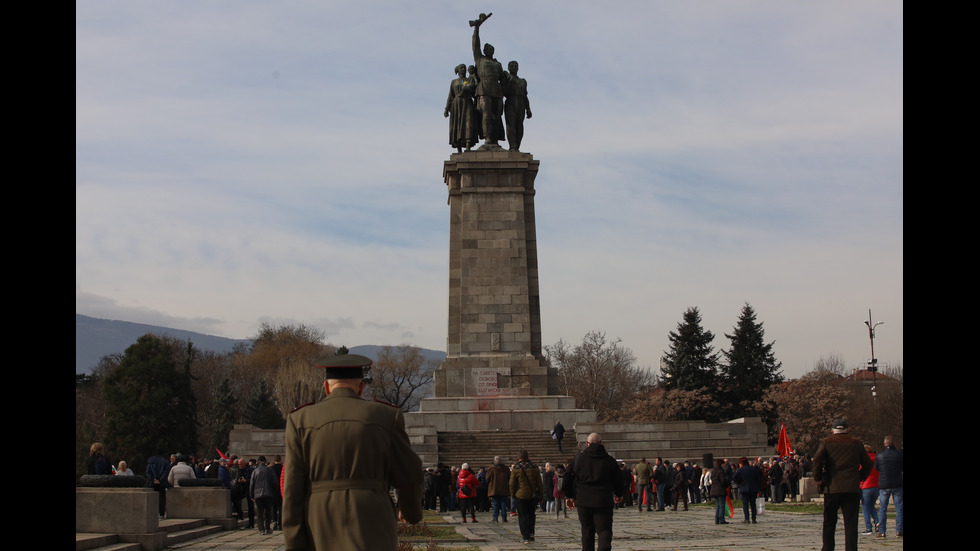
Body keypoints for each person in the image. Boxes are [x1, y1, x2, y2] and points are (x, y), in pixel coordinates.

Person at [283, 353, 422, 550]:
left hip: (319, 519)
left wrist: (294, 543)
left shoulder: (300, 420)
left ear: (326, 387)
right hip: (373, 516)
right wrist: (411, 512)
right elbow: (411, 474)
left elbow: (292, 490)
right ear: (361, 387)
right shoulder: (386, 416)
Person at [812, 419, 873, 551]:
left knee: (829, 522)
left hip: (832, 487)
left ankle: (828, 548)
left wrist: (818, 479)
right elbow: (868, 464)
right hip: (852, 488)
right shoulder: (856, 443)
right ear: (848, 429)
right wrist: (859, 478)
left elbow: (817, 460)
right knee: (851, 523)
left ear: (832, 430)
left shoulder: (827, 442)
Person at [564, 433, 625, 551]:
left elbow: (567, 477)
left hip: (583, 500)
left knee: (586, 531)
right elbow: (618, 479)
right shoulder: (609, 460)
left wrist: (569, 496)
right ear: (601, 443)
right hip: (603, 500)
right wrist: (619, 494)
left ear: (587, 444)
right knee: (604, 531)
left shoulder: (578, 459)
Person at [470, 13, 507, 146]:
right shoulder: (480, 59)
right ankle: (488, 139)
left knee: (496, 116)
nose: (489, 50)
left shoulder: (498, 64)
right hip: (484, 89)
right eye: (487, 48)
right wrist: (476, 29)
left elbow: (504, 79)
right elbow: (475, 44)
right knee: (486, 114)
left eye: (491, 48)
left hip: (496, 90)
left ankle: (495, 139)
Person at [509, 449, 543, 544]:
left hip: (520, 495)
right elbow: (539, 483)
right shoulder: (534, 467)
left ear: (518, 457)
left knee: (522, 516)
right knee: (531, 514)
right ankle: (531, 532)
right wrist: (541, 496)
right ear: (528, 457)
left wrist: (512, 495)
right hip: (532, 495)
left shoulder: (516, 468)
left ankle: (525, 536)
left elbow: (512, 484)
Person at [444, 63, 480, 153]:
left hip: (467, 102)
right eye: (461, 68)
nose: (463, 69)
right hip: (456, 105)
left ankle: (468, 145)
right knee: (458, 124)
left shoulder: (469, 80)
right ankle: (458, 147)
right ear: (457, 70)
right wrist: (447, 108)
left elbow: (474, 87)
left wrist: (473, 77)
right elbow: (450, 96)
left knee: (468, 122)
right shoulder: (454, 82)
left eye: (464, 68)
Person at [875, 435, 903, 538]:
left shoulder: (879, 455)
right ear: (893, 443)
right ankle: (899, 530)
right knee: (899, 507)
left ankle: (882, 531)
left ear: (885, 443)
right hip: (897, 483)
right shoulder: (899, 454)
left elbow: (877, 468)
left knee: (883, 508)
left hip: (884, 484)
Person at [503, 60, 531, 151]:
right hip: (510, 101)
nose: (513, 68)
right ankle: (513, 145)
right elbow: (504, 92)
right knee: (511, 125)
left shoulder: (522, 81)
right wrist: (510, 81)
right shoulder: (506, 78)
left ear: (518, 68)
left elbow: (525, 95)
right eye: (511, 66)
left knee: (519, 125)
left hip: (521, 102)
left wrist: (528, 109)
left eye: (515, 66)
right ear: (508, 68)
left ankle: (517, 145)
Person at [249, 456, 278, 535]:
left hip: (258, 495)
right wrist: (275, 492)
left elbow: (252, 484)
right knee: (268, 512)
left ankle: (261, 529)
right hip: (268, 494)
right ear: (265, 461)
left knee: (259, 513)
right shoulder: (270, 470)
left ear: (258, 462)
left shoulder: (255, 471)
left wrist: (251, 495)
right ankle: (267, 528)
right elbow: (275, 482)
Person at [732, 457, 762, 524]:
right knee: (753, 505)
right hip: (753, 489)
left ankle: (747, 519)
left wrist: (740, 482)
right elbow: (758, 479)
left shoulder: (741, 470)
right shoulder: (754, 469)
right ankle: (754, 519)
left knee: (745, 505)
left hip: (744, 489)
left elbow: (734, 477)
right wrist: (759, 488)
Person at [859, 445, 880, 536]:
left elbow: (859, 471)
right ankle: (877, 522)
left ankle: (868, 527)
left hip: (866, 485)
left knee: (865, 507)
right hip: (876, 485)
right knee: (872, 505)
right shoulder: (877, 458)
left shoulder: (863, 460)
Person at [146, 450, 171, 519]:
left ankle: (152, 512)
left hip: (152, 483)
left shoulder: (150, 461)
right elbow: (166, 473)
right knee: (162, 498)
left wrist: (153, 479)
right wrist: (160, 480)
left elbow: (148, 472)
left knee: (152, 498)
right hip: (161, 483)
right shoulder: (165, 462)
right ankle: (161, 513)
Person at [487, 456, 511, 523]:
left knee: (495, 503)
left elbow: (487, 478)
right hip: (504, 489)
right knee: (503, 503)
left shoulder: (491, 469)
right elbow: (510, 477)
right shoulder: (506, 468)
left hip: (495, 489)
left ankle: (495, 518)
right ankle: (504, 518)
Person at [709, 459, 730, 524]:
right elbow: (723, 481)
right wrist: (727, 484)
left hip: (714, 490)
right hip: (720, 490)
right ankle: (721, 519)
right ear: (721, 464)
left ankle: (717, 519)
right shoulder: (721, 471)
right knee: (721, 505)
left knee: (718, 505)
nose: (724, 466)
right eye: (723, 464)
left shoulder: (713, 471)